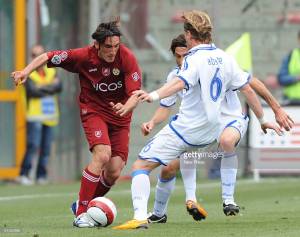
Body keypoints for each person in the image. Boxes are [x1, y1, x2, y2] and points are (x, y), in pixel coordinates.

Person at [112, 10, 282, 230]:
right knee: (178, 161)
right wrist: (263, 118)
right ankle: (187, 200)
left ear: (190, 35)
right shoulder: (224, 57)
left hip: (187, 128)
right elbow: (248, 87)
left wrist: (153, 95)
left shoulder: (193, 59)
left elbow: (180, 83)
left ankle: (140, 217)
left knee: (140, 166)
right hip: (211, 131)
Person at [145, 35, 294, 223]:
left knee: (226, 141)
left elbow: (250, 85)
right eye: (178, 56)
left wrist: (271, 113)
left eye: (185, 55)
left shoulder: (218, 65)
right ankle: (160, 213)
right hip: (201, 126)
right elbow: (165, 106)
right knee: (168, 168)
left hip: (229, 120)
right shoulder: (176, 77)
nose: (182, 60)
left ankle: (228, 200)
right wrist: (151, 121)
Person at [11, 19, 142, 228]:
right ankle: (82, 213)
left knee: (114, 171)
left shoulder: (126, 58)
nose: (113, 51)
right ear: (97, 44)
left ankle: (85, 203)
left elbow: (136, 93)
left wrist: (127, 107)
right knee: (103, 155)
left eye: (116, 46)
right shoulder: (83, 56)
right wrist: (26, 72)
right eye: (108, 47)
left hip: (121, 116)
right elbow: (47, 56)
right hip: (94, 111)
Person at [17, 44, 62, 185]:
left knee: (46, 148)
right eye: (34, 55)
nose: (38, 58)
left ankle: (40, 176)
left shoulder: (52, 72)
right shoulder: (27, 73)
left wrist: (41, 87)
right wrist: (50, 87)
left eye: (40, 54)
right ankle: (24, 174)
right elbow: (32, 92)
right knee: (33, 146)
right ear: (31, 58)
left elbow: (59, 87)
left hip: (50, 117)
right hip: (34, 116)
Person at [277, 30, 300, 105]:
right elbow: (281, 79)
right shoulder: (291, 56)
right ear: (298, 39)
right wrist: (296, 78)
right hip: (292, 103)